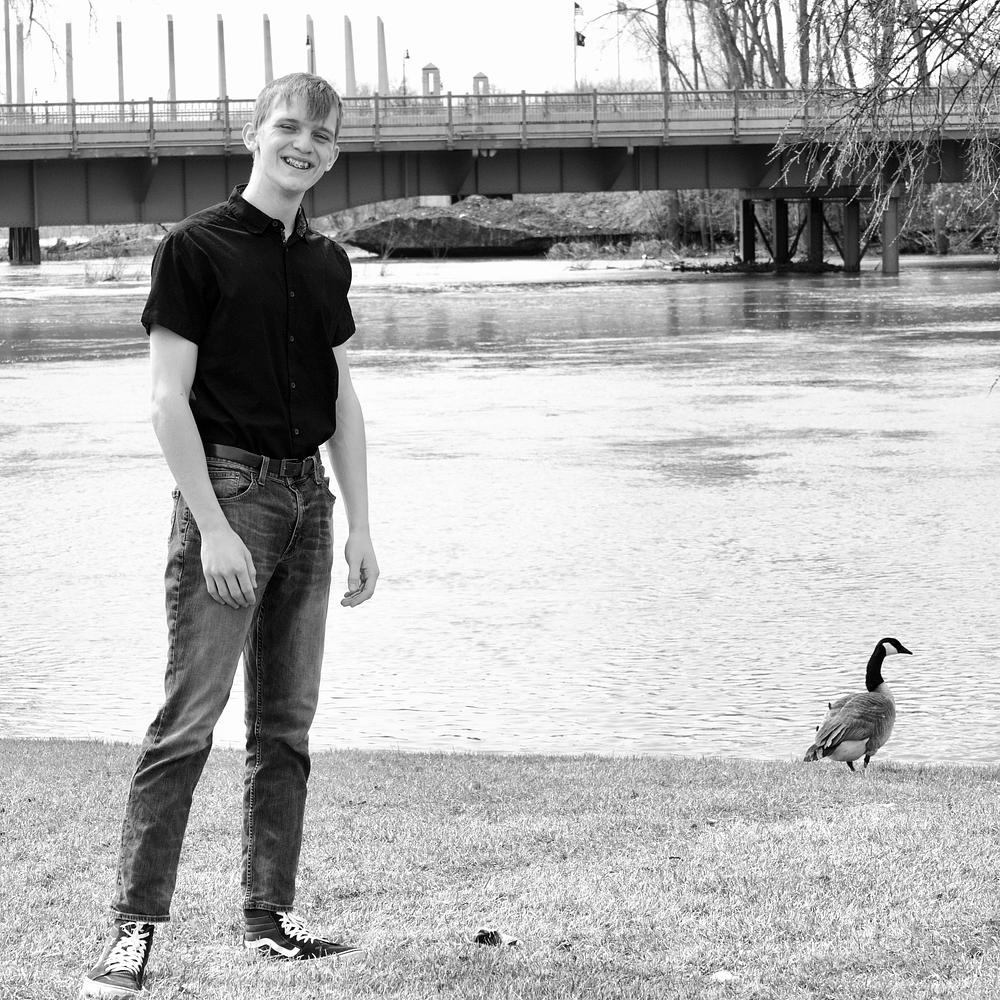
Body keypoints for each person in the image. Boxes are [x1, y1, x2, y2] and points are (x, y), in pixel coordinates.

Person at [81, 72, 378, 999]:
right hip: (231, 496)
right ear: (251, 133)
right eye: (287, 127)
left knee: (285, 728)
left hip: (309, 502)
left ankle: (268, 920)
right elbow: (166, 400)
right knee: (187, 725)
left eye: (321, 135)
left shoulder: (326, 262)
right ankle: (132, 933)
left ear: (334, 153)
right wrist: (211, 526)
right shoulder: (193, 248)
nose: (303, 145)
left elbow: (343, 402)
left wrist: (362, 523)